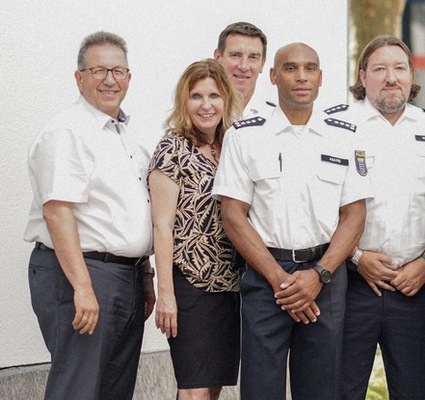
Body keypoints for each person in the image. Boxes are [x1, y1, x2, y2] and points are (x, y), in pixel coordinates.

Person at [213, 42, 371, 400]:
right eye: (290, 68)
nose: (301, 77)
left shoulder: (345, 136)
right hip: (266, 277)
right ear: (273, 76)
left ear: (320, 77)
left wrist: (319, 275)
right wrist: (279, 280)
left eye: (310, 68)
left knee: (321, 389)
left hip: (326, 278)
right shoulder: (245, 135)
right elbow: (233, 214)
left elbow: (354, 214)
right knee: (260, 389)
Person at [24, 31, 154, 400]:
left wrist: (144, 275)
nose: (109, 80)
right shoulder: (67, 132)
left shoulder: (126, 136)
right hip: (82, 275)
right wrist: (83, 287)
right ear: (79, 77)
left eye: (118, 70)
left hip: (123, 278)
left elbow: (129, 215)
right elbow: (57, 211)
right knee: (77, 390)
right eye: (98, 70)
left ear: (129, 77)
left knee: (113, 390)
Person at [335, 35, 425, 400]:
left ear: (411, 75)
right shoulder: (336, 127)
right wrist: (356, 257)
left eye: (399, 68)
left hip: (415, 286)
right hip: (351, 283)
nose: (391, 77)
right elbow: (318, 206)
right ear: (363, 75)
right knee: (339, 390)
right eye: (380, 69)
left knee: (415, 392)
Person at [148, 59, 242, 400]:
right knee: (194, 390)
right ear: (184, 102)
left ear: (226, 99)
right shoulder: (172, 148)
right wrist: (166, 295)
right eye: (196, 96)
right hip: (191, 287)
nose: (206, 105)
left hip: (230, 287)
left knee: (211, 389)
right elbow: (162, 226)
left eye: (214, 95)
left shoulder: (233, 146)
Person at [213, 21, 270, 117]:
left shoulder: (275, 118)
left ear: (262, 64)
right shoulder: (200, 116)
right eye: (235, 55)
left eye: (253, 57)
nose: (244, 67)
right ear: (218, 57)